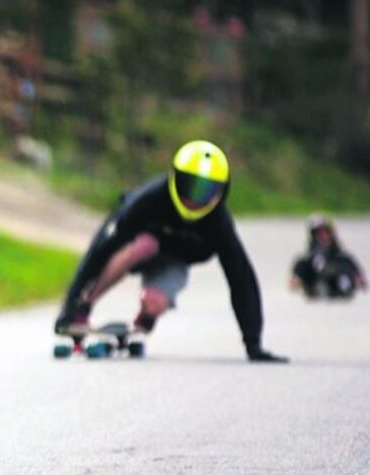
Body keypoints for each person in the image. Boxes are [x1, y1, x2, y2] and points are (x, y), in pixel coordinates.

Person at [53, 140, 287, 363]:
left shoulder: (219, 223)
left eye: (205, 190)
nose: (195, 198)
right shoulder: (148, 200)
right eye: (190, 186)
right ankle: (82, 307)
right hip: (134, 253)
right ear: (175, 178)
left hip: (174, 262)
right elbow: (99, 250)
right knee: (146, 244)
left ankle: (147, 315)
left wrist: (253, 344)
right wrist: (70, 306)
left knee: (155, 301)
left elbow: (241, 278)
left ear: (221, 192)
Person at [290, 214, 366, 299]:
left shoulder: (345, 259)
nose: (323, 237)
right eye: (319, 234)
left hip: (341, 294)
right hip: (317, 293)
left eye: (326, 233)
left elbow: (361, 283)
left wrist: (351, 277)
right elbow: (294, 285)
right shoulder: (304, 262)